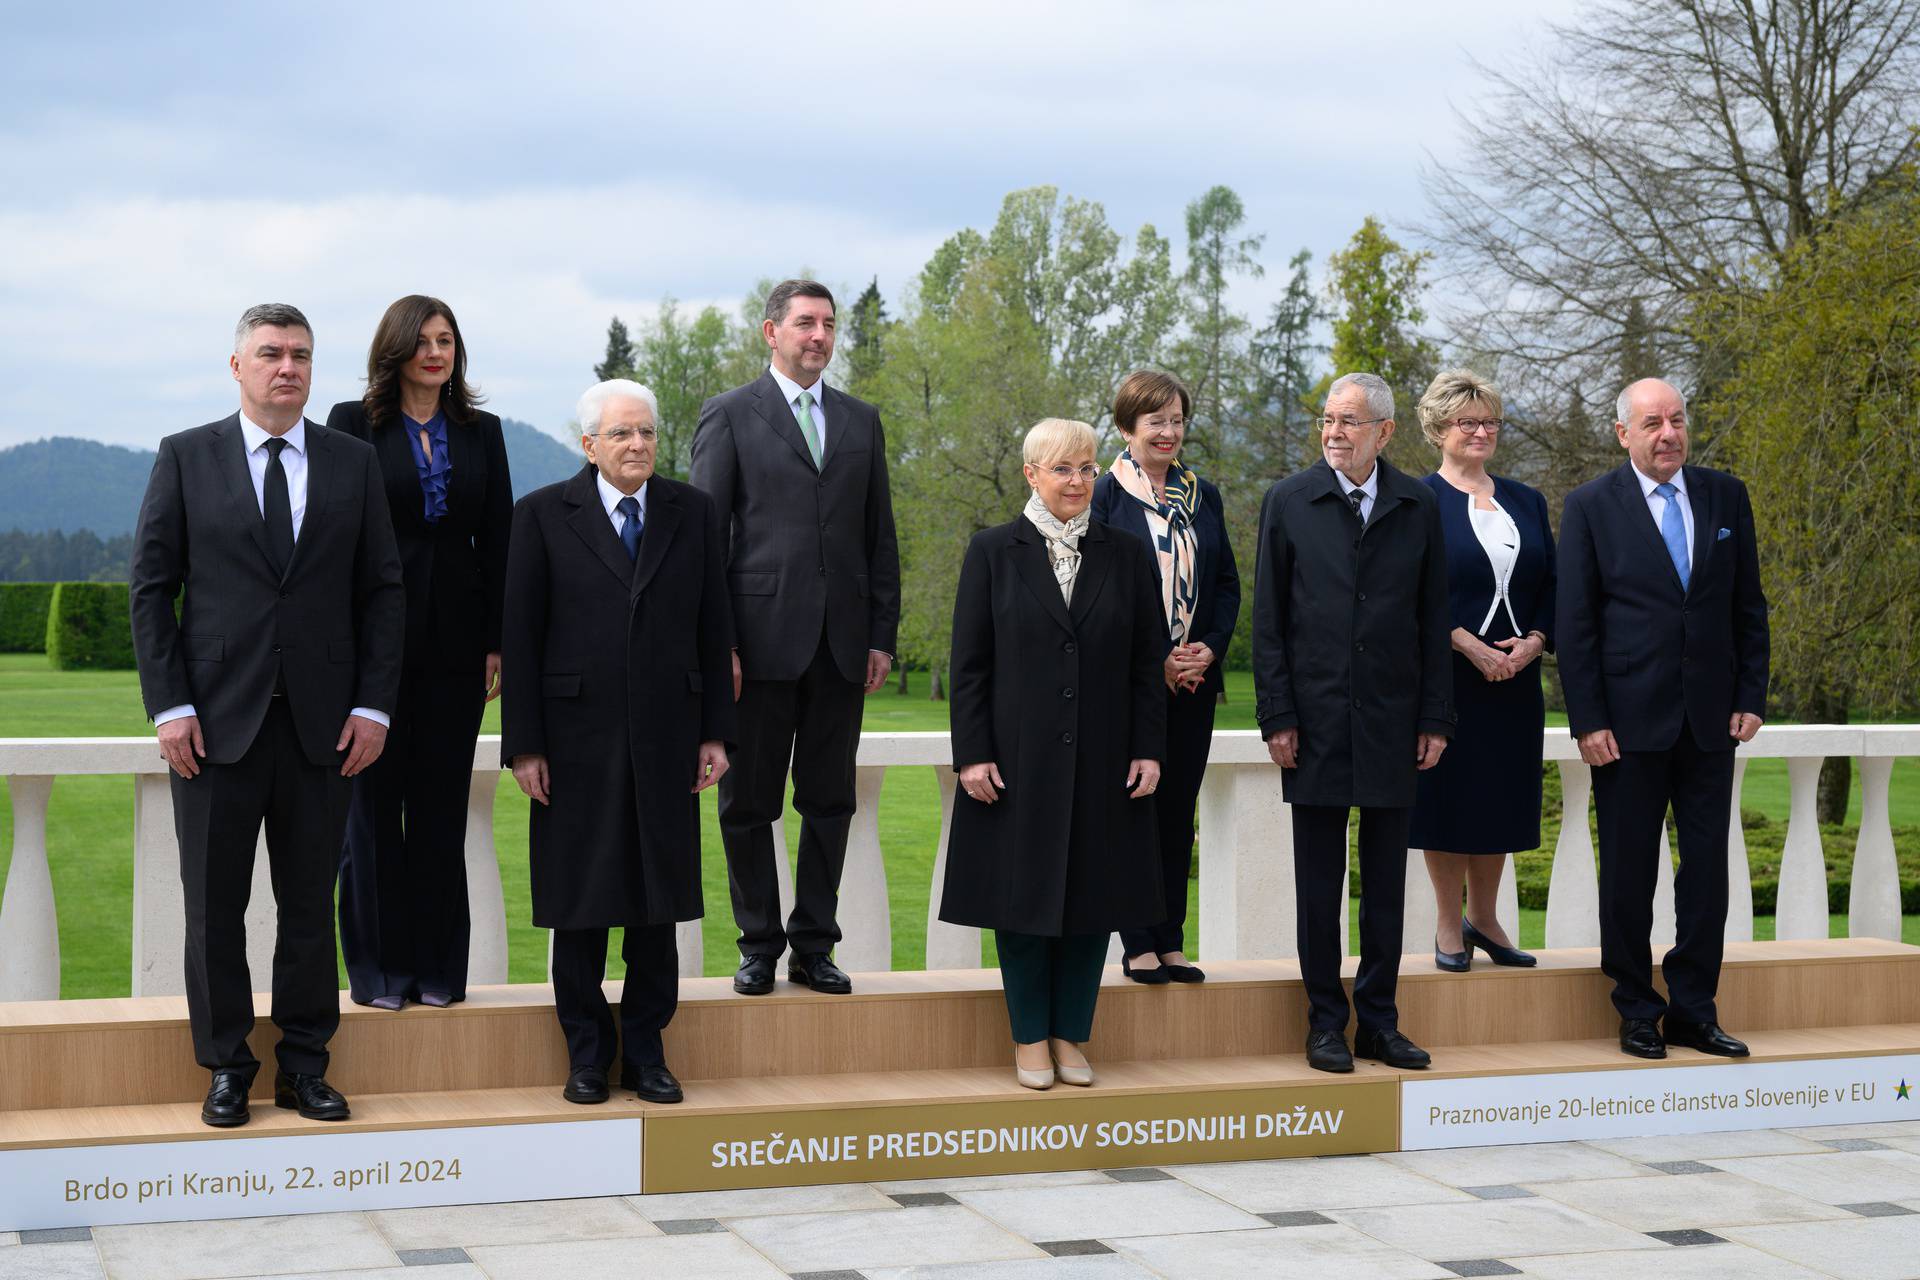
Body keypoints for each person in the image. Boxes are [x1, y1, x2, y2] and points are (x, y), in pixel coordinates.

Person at [129, 303, 404, 1127]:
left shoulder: (352, 464)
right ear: (238, 366)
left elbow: (384, 591)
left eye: (302, 356)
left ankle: (305, 1066)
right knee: (212, 906)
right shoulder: (186, 457)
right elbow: (150, 589)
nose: (288, 367)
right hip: (213, 729)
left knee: (310, 905)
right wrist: (170, 706)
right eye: (272, 353)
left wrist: (372, 705)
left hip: (326, 728)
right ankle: (225, 1067)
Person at [501, 379, 735, 1105]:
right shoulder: (541, 516)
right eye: (623, 434)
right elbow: (522, 635)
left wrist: (715, 732)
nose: (638, 446)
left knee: (655, 908)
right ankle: (584, 1055)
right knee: (580, 907)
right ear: (590, 444)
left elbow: (713, 624)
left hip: (667, 738)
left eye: (648, 433)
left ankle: (646, 1054)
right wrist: (525, 745)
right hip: (572, 743)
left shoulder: (691, 513)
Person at [939, 418, 1167, 1090]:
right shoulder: (991, 551)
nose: (1077, 481)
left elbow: (1144, 662)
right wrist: (973, 754)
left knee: (1093, 903)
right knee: (1023, 904)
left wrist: (1149, 748)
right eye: (1062, 469)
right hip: (1017, 761)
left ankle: (1071, 1035)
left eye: (1087, 468)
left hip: (1104, 760)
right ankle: (1030, 1038)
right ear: (1031, 475)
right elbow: (969, 665)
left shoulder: (1125, 554)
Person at [689, 279, 901, 998]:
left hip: (841, 647)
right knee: (748, 805)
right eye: (805, 323)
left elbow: (880, 538)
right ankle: (758, 946)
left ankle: (815, 945)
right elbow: (705, 541)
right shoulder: (728, 416)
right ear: (770, 331)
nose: (819, 336)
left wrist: (881, 635)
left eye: (829, 325)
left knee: (830, 802)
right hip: (756, 648)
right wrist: (718, 646)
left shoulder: (860, 421)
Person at [1557, 377, 1768, 1061]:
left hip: (1711, 722)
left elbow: (1748, 605)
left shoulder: (1725, 495)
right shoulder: (1591, 506)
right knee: (1627, 873)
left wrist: (1751, 694)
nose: (1668, 433)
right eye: (1652, 423)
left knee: (1706, 874)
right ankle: (1637, 1010)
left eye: (1677, 420)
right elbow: (1577, 622)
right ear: (1623, 433)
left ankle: (1694, 1010)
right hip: (1624, 723)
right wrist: (1586, 719)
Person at [1252, 372, 1453, 1075]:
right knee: (1318, 885)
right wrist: (1276, 713)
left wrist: (1435, 716)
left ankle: (1380, 1022)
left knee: (1386, 889)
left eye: (1349, 421)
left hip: (1396, 723)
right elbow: (1269, 621)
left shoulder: (1417, 504)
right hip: (1314, 723)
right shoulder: (1289, 501)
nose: (1333, 432)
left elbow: (1433, 619)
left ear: (1385, 432)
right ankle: (1325, 1024)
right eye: (1328, 419)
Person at [327, 295, 513, 1011]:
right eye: (424, 341)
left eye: (447, 341)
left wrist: (497, 639)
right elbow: (335, 534)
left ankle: (440, 972)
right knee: (371, 814)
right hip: (371, 643)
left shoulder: (482, 430)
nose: (436, 353)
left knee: (440, 812)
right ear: (396, 349)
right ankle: (378, 976)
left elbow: (498, 538)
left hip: (459, 646)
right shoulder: (352, 424)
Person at [1090, 370, 1239, 985]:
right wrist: (1156, 658)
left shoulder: (1203, 496)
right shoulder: (1103, 496)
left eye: (1177, 420)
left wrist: (1206, 648)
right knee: (1135, 809)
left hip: (1194, 684)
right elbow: (1097, 592)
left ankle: (1171, 938)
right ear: (1128, 428)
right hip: (1132, 686)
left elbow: (1226, 585)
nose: (1169, 432)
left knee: (1178, 814)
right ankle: (1137, 942)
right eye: (1156, 421)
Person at [1408, 370, 1555, 971]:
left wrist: (1536, 641)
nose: (1481, 431)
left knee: (1499, 799)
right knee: (1447, 800)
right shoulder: (1416, 500)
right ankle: (1449, 924)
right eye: (1467, 422)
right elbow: (1405, 594)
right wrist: (1467, 644)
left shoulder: (1527, 500)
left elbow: (1552, 585)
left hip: (1515, 681)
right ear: (1439, 429)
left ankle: (1487, 920)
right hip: (1449, 678)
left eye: (1490, 421)